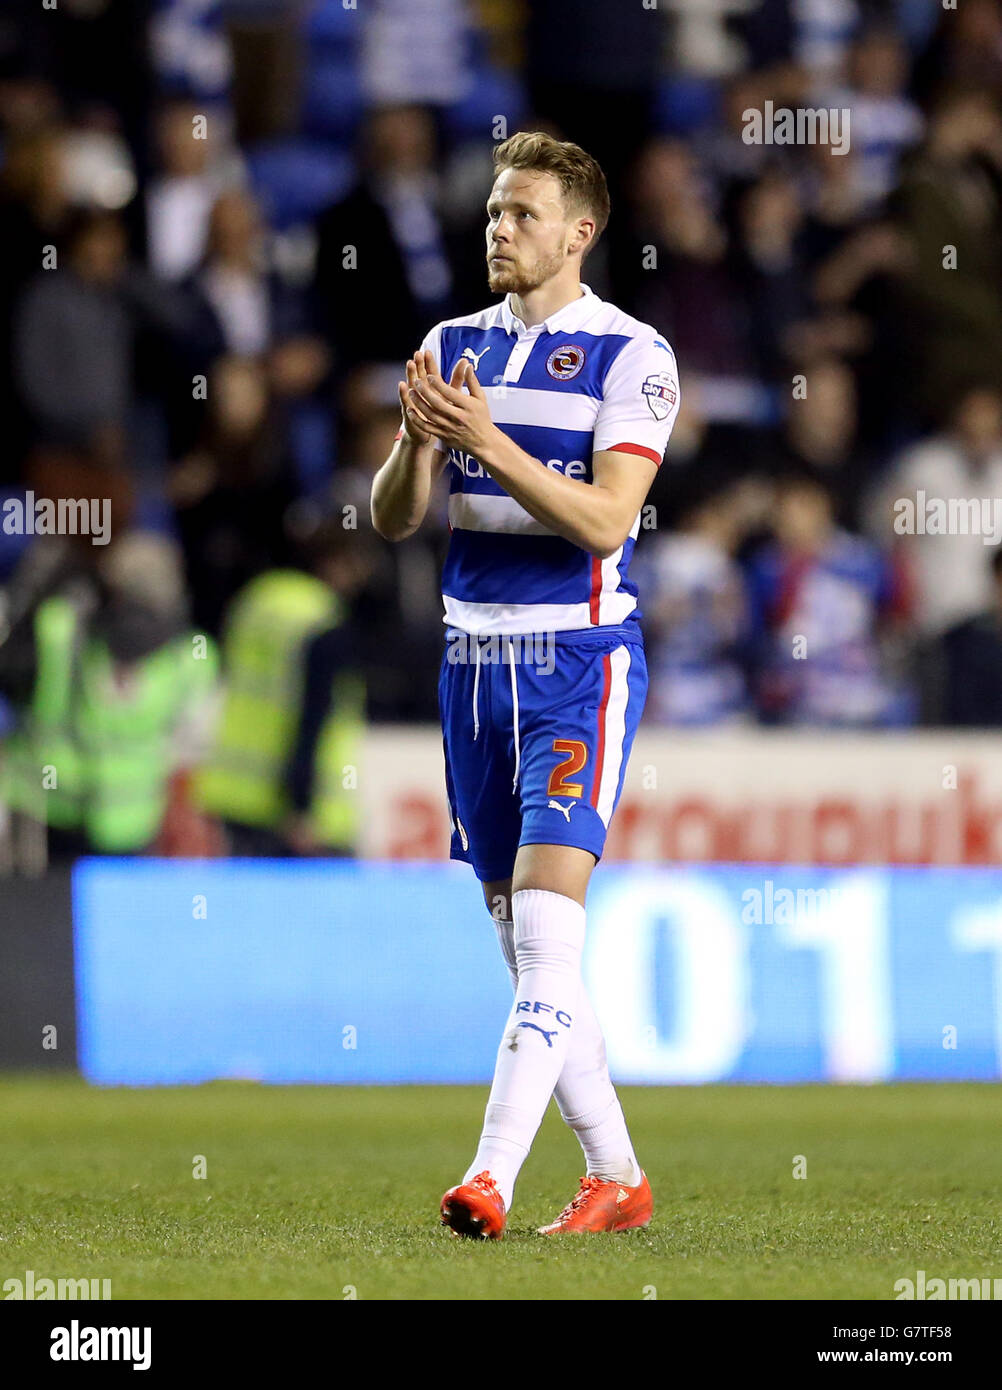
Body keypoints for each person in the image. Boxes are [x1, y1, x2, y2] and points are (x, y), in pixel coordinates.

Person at [370, 131, 681, 1238]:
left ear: (579, 233)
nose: (499, 230)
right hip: (471, 668)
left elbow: (605, 521)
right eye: (495, 212)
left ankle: (488, 1177)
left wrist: (488, 443)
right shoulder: (452, 345)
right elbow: (396, 519)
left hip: (574, 666)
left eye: (522, 214)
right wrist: (417, 443)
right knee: (525, 951)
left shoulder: (632, 355)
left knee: (548, 940)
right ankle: (618, 1178)